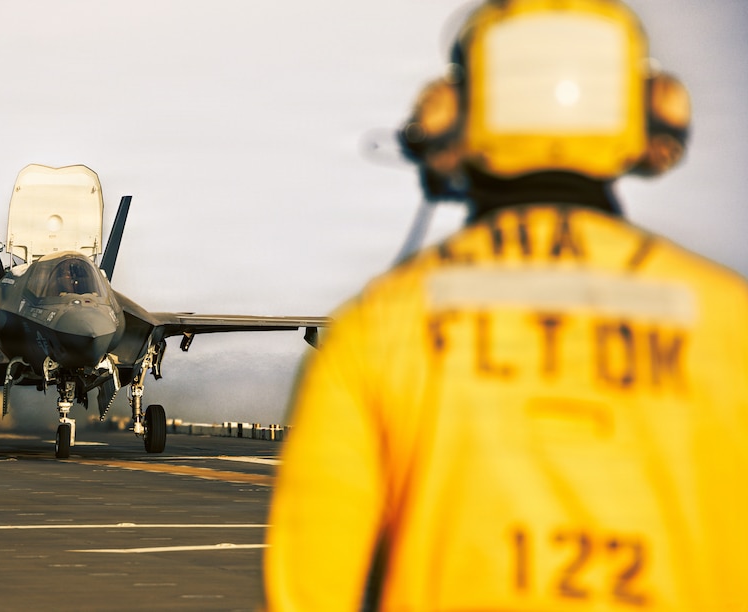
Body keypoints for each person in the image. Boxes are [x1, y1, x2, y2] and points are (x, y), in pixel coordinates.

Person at [263, 1, 748, 610]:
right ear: (653, 111)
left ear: (448, 116)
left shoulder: (377, 329)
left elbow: (310, 587)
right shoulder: (729, 322)